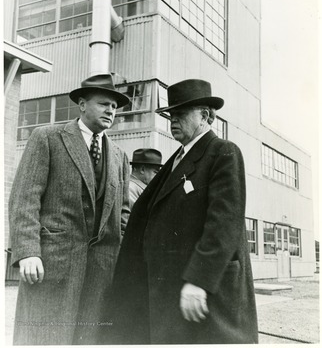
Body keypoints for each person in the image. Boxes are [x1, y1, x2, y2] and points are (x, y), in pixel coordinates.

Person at [107, 79, 258, 344]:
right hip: (169, 289)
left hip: (204, 293)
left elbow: (224, 223)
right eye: (170, 114)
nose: (173, 120)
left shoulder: (223, 152)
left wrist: (199, 280)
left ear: (206, 116)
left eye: (181, 114)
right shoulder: (177, 160)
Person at [9, 74, 130, 345]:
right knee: (44, 338)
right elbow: (25, 198)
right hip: (52, 266)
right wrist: (28, 251)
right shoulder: (47, 138)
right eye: (104, 104)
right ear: (82, 104)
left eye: (114, 106)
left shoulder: (120, 156)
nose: (111, 110)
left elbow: (123, 215)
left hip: (100, 273)